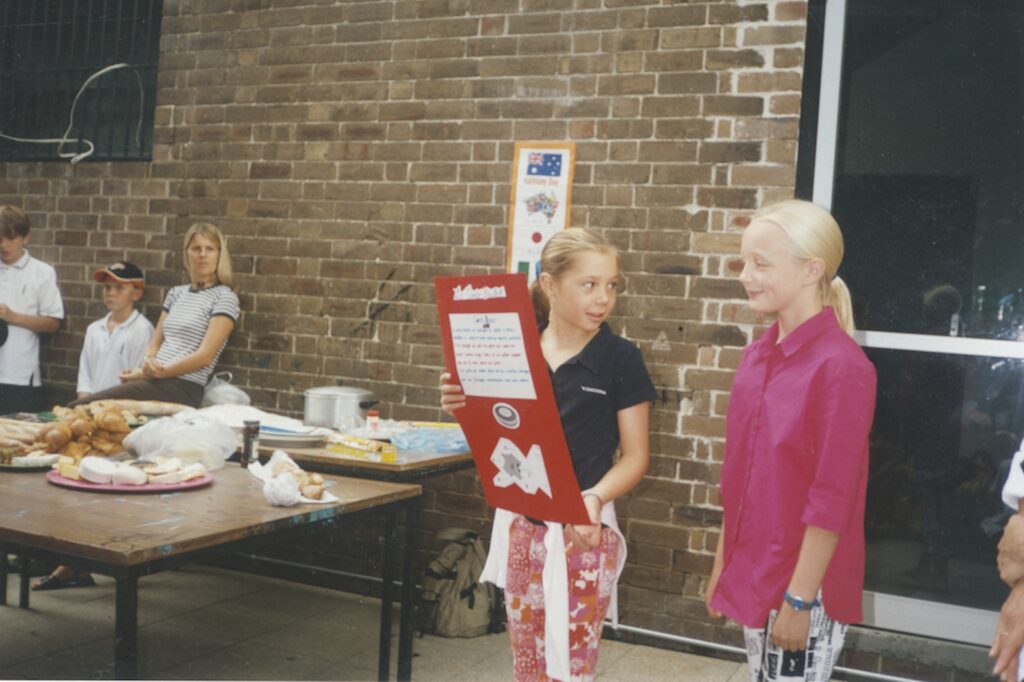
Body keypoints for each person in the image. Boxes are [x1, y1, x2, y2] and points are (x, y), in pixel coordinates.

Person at [440, 228, 656, 681]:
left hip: (584, 532)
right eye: (589, 284)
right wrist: (464, 409)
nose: (603, 298)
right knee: (528, 665)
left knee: (572, 668)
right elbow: (501, 442)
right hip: (522, 528)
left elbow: (635, 457)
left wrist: (593, 499)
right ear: (549, 284)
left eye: (612, 285)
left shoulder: (621, 358)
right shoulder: (512, 351)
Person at [705, 199, 877, 681]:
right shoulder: (757, 356)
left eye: (761, 264)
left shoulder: (842, 367)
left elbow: (831, 499)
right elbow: (737, 479)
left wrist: (800, 601)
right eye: (743, 262)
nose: (745, 275)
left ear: (811, 270)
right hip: (756, 568)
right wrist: (723, 564)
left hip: (806, 585)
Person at [66, 222, 239, 410]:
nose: (202, 254)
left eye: (210, 249)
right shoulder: (176, 293)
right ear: (187, 253)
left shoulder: (225, 297)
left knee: (83, 407)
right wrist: (146, 365)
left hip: (183, 387)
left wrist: (159, 373)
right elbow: (155, 343)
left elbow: (205, 356)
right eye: (196, 248)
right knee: (90, 408)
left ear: (219, 255)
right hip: (155, 380)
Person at [0, 205, 64, 414]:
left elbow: (53, 322)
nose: (3, 244)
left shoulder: (42, 272)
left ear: (25, 238)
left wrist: (13, 317)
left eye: (10, 237)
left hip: (20, 377)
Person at [76, 261, 155, 399]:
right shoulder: (93, 329)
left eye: (119, 288)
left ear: (136, 294)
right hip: (92, 407)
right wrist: (84, 405)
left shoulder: (142, 329)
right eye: (107, 287)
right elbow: (85, 377)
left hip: (123, 408)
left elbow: (138, 379)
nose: (111, 293)